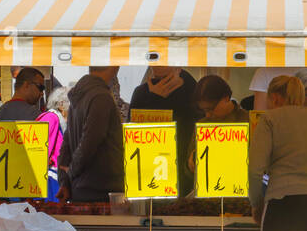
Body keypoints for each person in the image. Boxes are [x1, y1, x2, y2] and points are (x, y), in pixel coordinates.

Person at [248, 73, 307, 231]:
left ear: (274, 98)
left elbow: (254, 170)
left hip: (281, 205)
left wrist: (256, 204)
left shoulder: (269, 119)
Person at [58, 67, 124, 203]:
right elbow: (90, 141)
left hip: (81, 189)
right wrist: (69, 175)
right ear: (113, 66)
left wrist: (65, 181)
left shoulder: (79, 96)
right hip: (101, 190)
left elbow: (67, 143)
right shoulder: (101, 97)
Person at [129, 67, 198, 193]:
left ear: (178, 70)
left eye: (166, 78)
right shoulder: (142, 94)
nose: (162, 84)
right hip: (150, 175)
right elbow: (132, 139)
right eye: (156, 79)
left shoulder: (192, 92)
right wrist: (154, 99)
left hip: (183, 177)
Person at [0, 67, 46, 184]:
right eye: (40, 87)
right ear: (26, 85)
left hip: (2, 186)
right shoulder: (35, 115)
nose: (41, 93)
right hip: (29, 187)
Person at [187, 75, 250, 175]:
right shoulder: (202, 125)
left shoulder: (248, 121)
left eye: (211, 109)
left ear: (226, 98)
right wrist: (191, 164)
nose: (207, 114)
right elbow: (187, 170)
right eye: (203, 110)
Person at [36, 86, 70, 200]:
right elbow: (40, 151)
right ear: (61, 105)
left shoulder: (57, 120)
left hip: (54, 177)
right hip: (49, 180)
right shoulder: (51, 118)